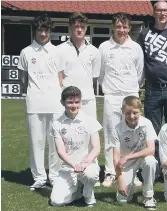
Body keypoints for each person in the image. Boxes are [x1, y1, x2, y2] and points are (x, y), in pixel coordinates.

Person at [137, 1, 167, 179]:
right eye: (159, 10)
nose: (162, 13)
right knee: (153, 130)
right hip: (153, 90)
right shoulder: (144, 34)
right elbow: (140, 60)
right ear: (154, 12)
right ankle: (155, 169)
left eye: (165, 10)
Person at [98, 13, 144, 188]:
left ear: (129, 28)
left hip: (131, 96)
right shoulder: (104, 47)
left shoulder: (136, 48)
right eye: (118, 26)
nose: (121, 30)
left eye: (124, 27)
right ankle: (110, 172)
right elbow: (100, 75)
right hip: (111, 96)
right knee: (111, 135)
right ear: (113, 27)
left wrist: (130, 90)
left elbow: (139, 74)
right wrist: (110, 90)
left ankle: (133, 172)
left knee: (133, 135)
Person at [18, 14, 62, 190]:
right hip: (34, 103)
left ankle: (54, 176)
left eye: (46, 30)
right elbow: (23, 79)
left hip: (55, 103)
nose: (43, 33)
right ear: (35, 31)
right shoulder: (26, 52)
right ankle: (39, 178)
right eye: (40, 30)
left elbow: (61, 77)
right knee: (36, 142)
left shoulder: (58, 51)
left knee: (55, 142)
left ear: (50, 30)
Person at [50, 86, 101, 207]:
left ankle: (88, 194)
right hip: (68, 167)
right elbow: (61, 152)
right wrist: (74, 165)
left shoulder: (90, 120)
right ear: (62, 102)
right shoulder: (57, 124)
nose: (74, 105)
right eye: (70, 102)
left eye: (77, 102)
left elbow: (96, 148)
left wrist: (86, 162)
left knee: (90, 175)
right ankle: (78, 190)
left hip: (87, 165)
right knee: (57, 202)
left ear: (80, 102)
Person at [109, 96, 158, 210]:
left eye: (135, 112)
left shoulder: (147, 123)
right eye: (127, 113)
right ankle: (129, 181)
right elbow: (116, 158)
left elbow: (151, 150)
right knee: (122, 200)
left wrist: (127, 156)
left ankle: (148, 196)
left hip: (142, 157)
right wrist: (120, 180)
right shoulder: (117, 129)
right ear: (122, 111)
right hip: (127, 163)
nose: (131, 116)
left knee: (151, 161)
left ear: (140, 110)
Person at [58, 12, 101, 119]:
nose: (79, 29)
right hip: (68, 100)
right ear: (70, 28)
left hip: (87, 99)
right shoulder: (59, 50)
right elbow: (59, 76)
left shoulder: (94, 51)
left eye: (82, 27)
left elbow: (94, 77)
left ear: (86, 28)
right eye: (76, 26)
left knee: (90, 132)